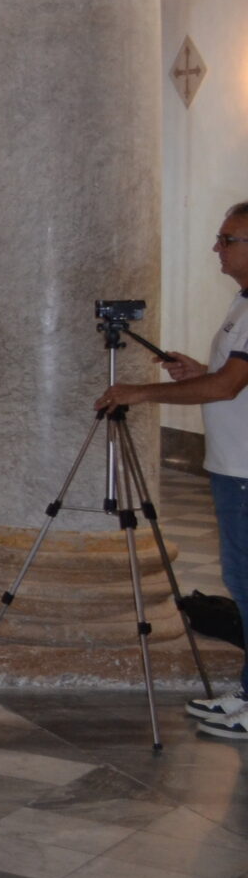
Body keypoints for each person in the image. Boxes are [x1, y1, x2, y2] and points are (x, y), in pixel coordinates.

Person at [98, 203, 248, 739]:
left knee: (247, 581)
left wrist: (139, 392)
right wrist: (198, 372)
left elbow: (227, 387)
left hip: (246, 468)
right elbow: (228, 378)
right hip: (234, 463)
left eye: (227, 239)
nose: (217, 248)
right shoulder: (242, 302)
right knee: (240, 578)